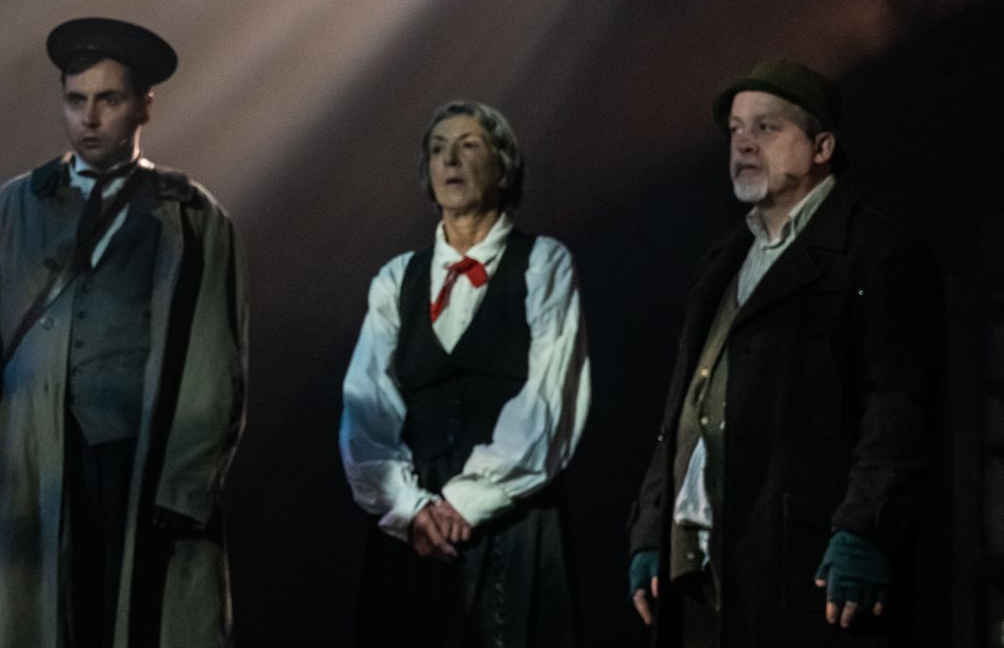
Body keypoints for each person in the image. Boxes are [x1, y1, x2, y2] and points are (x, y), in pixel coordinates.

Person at [0, 18, 247, 647]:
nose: (90, 118)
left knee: (135, 619)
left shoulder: (191, 216)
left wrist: (184, 480)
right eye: (76, 100)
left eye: (109, 99)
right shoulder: (12, 208)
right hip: (35, 456)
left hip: (140, 461)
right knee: (40, 618)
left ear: (144, 106)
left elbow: (218, 360)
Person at [626, 59, 941, 646]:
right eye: (736, 130)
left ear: (822, 147)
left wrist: (864, 530)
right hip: (699, 567)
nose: (744, 143)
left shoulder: (876, 254)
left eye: (767, 128)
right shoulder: (723, 262)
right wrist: (652, 527)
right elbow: (683, 407)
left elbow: (899, 409)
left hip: (801, 571)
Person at [340, 99, 590, 647]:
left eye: (468, 145)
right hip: (414, 525)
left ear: (502, 167)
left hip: (510, 515)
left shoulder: (543, 263)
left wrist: (467, 502)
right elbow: (367, 408)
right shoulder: (396, 279)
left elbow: (550, 399)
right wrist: (410, 510)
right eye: (438, 149)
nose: (450, 159)